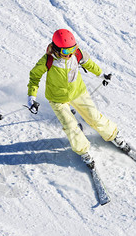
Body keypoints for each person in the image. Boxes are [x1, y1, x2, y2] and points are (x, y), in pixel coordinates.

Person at [27, 29, 130, 168]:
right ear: (57, 50)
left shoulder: (77, 54)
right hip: (57, 99)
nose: (69, 54)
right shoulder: (48, 60)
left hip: (78, 92)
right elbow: (34, 76)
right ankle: (83, 151)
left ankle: (113, 135)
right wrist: (31, 97)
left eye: (72, 49)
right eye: (65, 52)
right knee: (70, 126)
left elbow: (89, 63)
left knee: (94, 117)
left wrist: (101, 75)